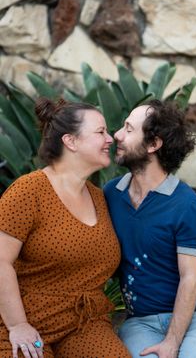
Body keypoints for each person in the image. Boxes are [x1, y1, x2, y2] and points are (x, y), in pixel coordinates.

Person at [0, 98, 130, 358]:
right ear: (71, 141)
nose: (110, 139)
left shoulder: (99, 198)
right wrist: (18, 325)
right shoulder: (29, 191)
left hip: (84, 323)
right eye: (100, 132)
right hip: (24, 323)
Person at [104, 99, 196, 358]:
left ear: (153, 144)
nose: (117, 135)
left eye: (128, 129)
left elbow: (189, 278)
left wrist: (171, 342)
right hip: (141, 322)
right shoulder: (111, 194)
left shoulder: (187, 206)